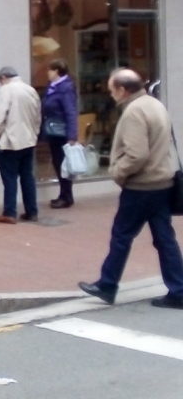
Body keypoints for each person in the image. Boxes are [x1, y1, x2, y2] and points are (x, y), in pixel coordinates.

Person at [79, 69, 183, 310]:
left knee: (122, 236)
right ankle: (178, 289)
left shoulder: (134, 112)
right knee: (165, 239)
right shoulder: (155, 105)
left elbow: (137, 154)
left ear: (122, 89)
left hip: (141, 186)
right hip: (162, 182)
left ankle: (107, 285)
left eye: (112, 89)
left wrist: (117, 172)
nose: (111, 94)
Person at [0, 66, 42, 224]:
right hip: (28, 140)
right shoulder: (30, 90)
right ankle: (31, 211)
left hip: (9, 141)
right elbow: (37, 116)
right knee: (27, 176)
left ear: (3, 77)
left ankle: (10, 212)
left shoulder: (5, 90)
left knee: (9, 178)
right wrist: (34, 135)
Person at [42, 59, 79, 209]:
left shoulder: (65, 88)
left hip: (61, 132)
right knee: (58, 163)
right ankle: (64, 195)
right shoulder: (53, 87)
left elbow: (70, 112)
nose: (47, 73)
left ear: (56, 71)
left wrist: (72, 135)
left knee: (62, 164)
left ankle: (66, 196)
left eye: (49, 70)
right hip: (53, 130)